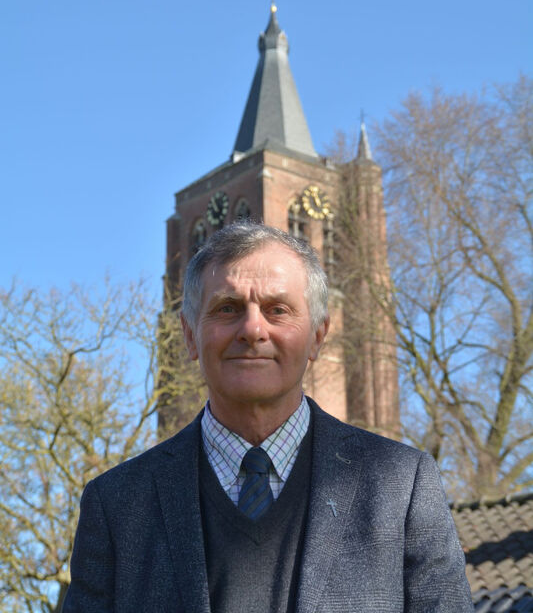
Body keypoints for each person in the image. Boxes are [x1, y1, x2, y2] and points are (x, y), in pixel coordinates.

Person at [63, 222, 473, 612]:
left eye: (277, 309)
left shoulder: (401, 486)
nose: (253, 329)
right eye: (227, 308)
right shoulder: (117, 506)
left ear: (317, 336)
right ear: (189, 335)